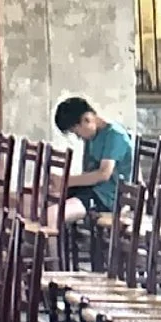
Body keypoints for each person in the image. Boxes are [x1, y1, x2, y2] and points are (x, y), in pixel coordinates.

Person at [54, 94, 132, 246]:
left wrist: (65, 181)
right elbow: (87, 172)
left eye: (76, 131)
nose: (78, 137)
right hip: (92, 190)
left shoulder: (115, 136)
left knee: (55, 214)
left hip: (109, 196)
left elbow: (103, 174)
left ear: (87, 119)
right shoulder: (91, 137)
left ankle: (52, 259)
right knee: (44, 198)